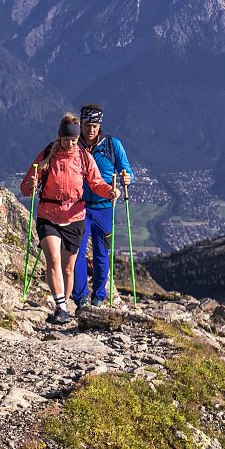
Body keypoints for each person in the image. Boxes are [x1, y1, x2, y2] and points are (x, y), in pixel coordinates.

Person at [20, 113, 119, 324]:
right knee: (53, 259)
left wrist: (109, 191)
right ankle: (61, 307)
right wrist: (31, 185)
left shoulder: (84, 157)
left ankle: (64, 304)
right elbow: (26, 187)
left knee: (68, 267)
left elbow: (96, 183)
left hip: (74, 217)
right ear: (60, 137)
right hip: (49, 215)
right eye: (67, 139)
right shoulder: (48, 154)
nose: (71, 143)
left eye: (74, 140)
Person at [71, 103, 134, 308]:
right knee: (77, 252)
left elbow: (127, 171)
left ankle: (98, 297)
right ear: (81, 124)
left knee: (101, 252)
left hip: (105, 206)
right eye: (88, 125)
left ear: (100, 125)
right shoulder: (73, 145)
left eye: (95, 126)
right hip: (78, 207)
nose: (91, 130)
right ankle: (80, 298)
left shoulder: (112, 145)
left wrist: (127, 178)